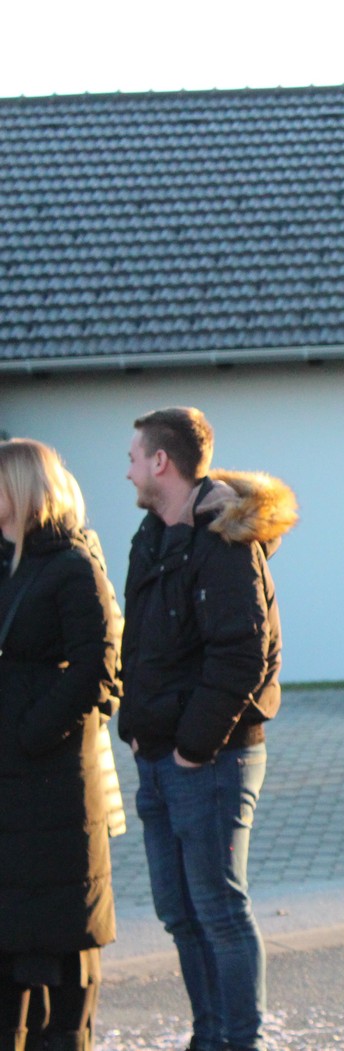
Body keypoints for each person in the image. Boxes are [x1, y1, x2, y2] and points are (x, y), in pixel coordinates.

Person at [119, 407, 297, 1051]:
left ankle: (236, 1041)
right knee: (179, 912)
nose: (129, 468)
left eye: (135, 456)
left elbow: (246, 653)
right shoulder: (152, 534)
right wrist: (136, 729)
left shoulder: (224, 540)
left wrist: (194, 748)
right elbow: (139, 643)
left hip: (210, 762)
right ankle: (209, 1037)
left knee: (218, 911)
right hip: (158, 760)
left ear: (161, 461)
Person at [0, 440, 120, 1051]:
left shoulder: (72, 564)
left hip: (54, 791)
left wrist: (30, 731)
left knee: (58, 954)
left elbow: (97, 667)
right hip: (16, 791)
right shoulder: (10, 564)